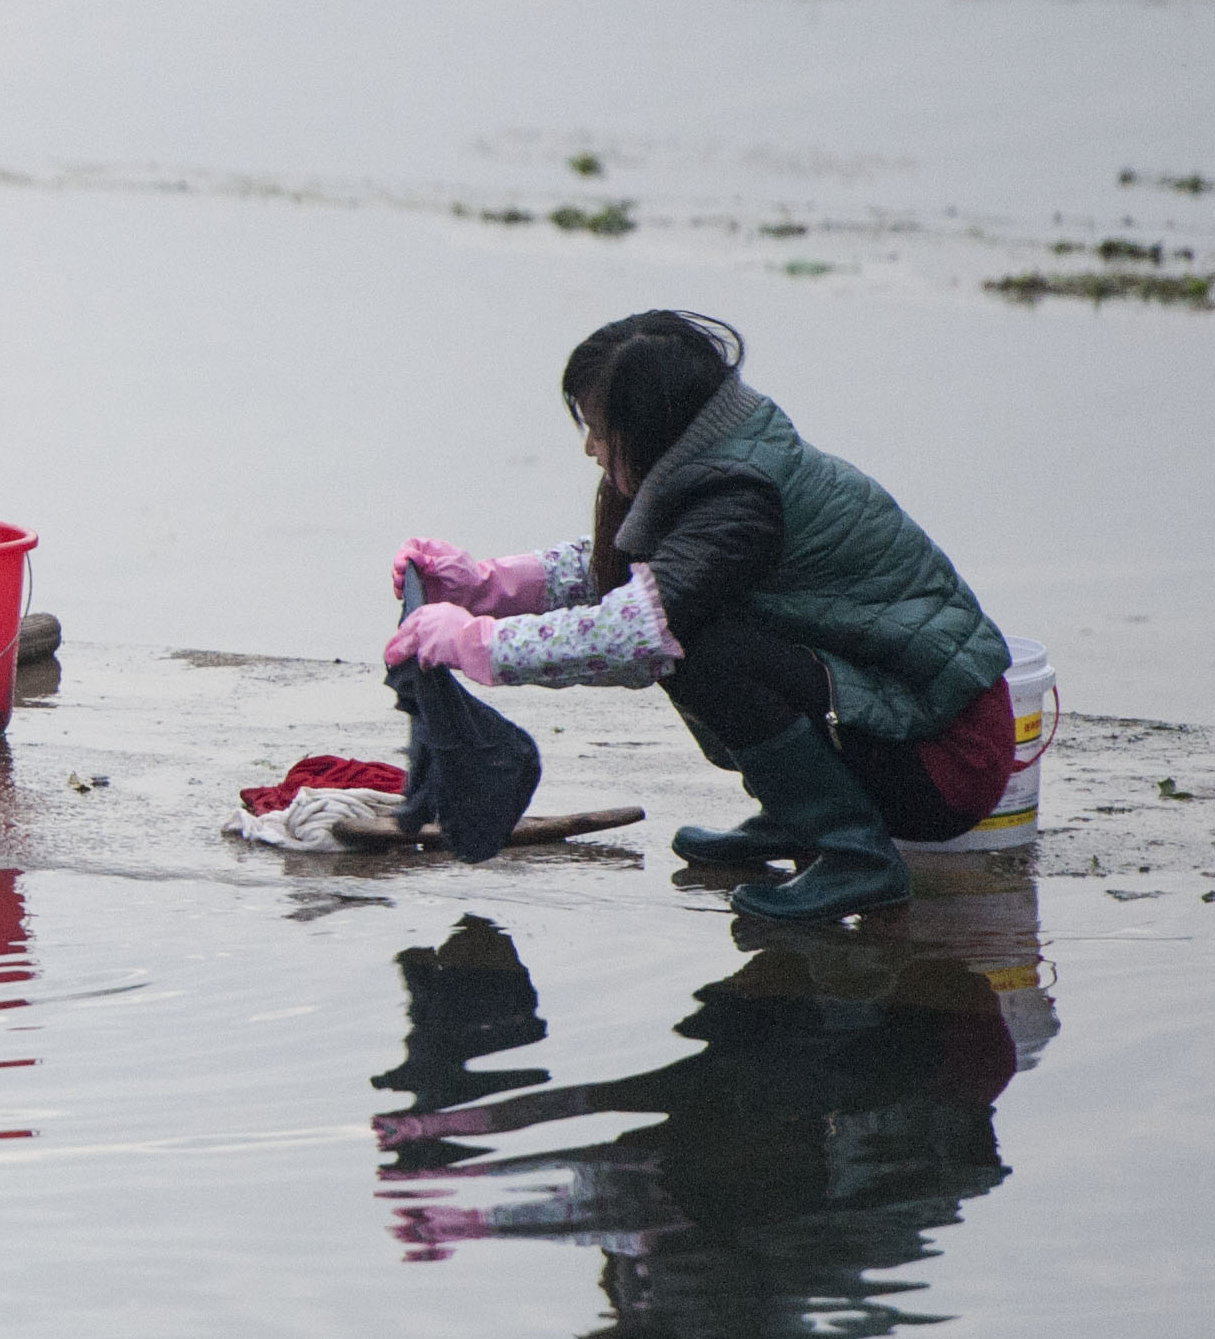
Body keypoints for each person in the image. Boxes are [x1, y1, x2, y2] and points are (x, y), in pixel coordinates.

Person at [385, 311, 1015, 920]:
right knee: (687, 626)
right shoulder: (713, 464)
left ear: (652, 425)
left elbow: (631, 634)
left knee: (690, 646)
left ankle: (855, 853)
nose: (590, 448)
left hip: (948, 759)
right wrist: (484, 585)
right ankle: (798, 816)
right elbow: (623, 576)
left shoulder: (741, 500)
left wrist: (476, 643)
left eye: (600, 428)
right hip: (894, 721)